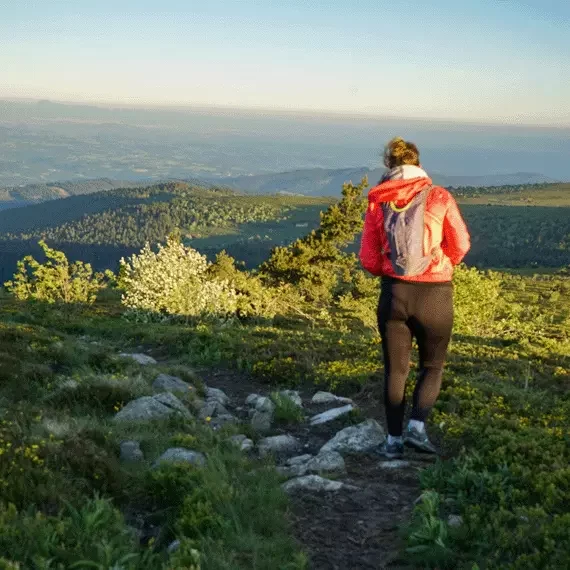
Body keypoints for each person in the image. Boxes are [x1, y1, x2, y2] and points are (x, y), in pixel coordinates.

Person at [359, 137, 471, 458]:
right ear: (418, 163)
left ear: (389, 166)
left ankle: (393, 442)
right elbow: (461, 244)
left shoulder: (378, 201)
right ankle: (417, 430)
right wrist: (441, 261)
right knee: (432, 366)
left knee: (396, 371)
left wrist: (390, 267)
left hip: (394, 294)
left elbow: (368, 259)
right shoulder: (438, 196)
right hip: (435, 294)